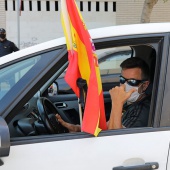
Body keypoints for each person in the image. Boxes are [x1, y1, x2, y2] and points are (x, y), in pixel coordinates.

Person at [56, 57, 150, 132]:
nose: (124, 85)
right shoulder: (129, 102)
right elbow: (107, 126)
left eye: (132, 81)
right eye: (122, 79)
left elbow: (117, 141)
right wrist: (76, 128)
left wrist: (117, 102)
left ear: (145, 85)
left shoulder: (142, 111)